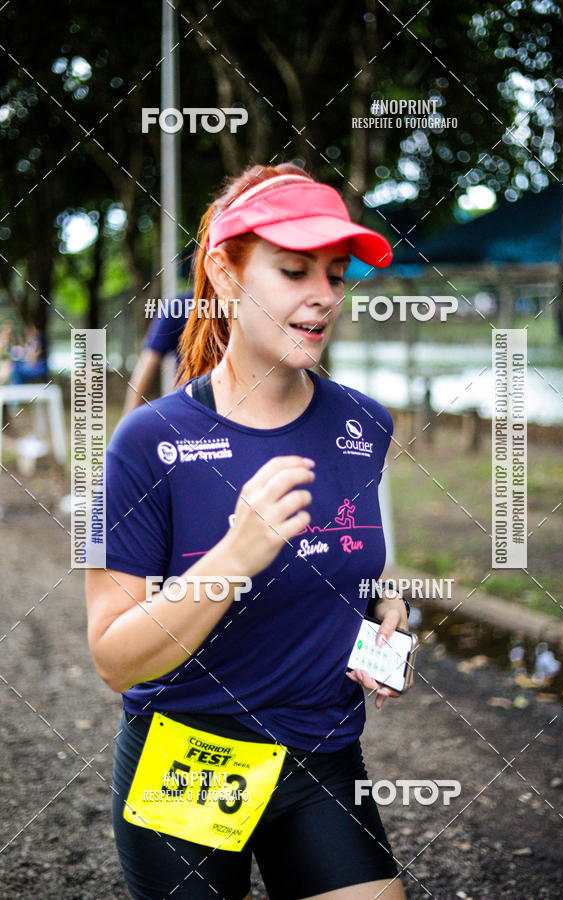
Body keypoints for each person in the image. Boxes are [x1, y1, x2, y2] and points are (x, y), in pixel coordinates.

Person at [86, 162, 413, 900]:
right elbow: (113, 660)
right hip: (191, 764)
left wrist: (383, 606)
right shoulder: (148, 441)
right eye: (295, 270)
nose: (323, 295)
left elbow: (345, 551)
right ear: (225, 274)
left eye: (335, 273)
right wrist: (235, 554)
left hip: (323, 756)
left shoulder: (364, 423)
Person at [121, 291, 193, 417]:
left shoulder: (177, 306)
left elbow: (146, 365)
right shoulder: (177, 307)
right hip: (189, 408)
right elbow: (147, 365)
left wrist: (127, 423)